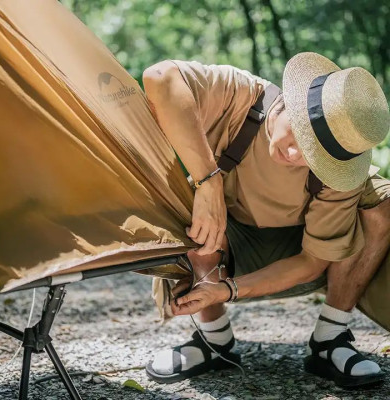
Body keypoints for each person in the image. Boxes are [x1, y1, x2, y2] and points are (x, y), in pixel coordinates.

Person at [141, 52, 390, 388]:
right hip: (222, 244)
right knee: (186, 201)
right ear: (290, 102)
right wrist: (208, 180)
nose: (293, 156)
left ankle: (329, 339)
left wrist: (228, 291)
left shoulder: (340, 173)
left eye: (314, 158)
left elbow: (312, 260)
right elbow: (159, 76)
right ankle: (214, 341)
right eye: (301, 137)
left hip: (299, 258)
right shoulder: (239, 95)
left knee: (381, 199)